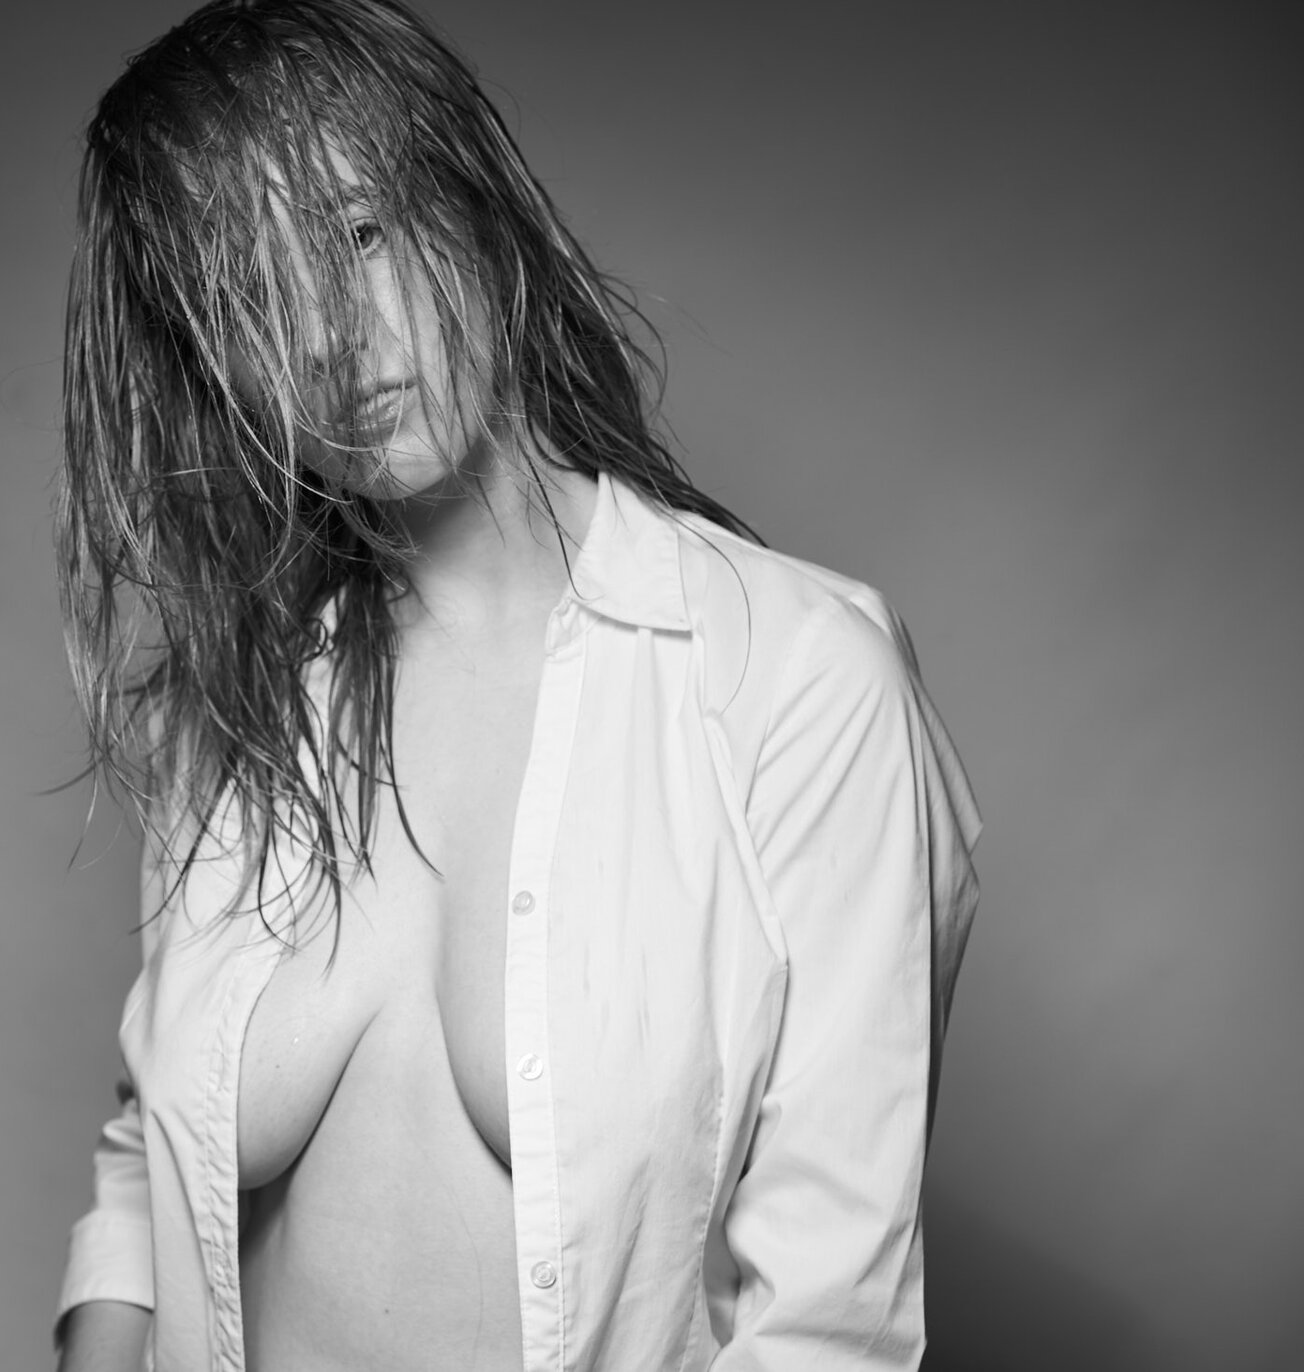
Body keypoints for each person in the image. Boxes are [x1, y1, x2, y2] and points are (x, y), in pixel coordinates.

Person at [52, 1, 981, 1368]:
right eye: (252, 291)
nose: (329, 333)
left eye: (358, 233)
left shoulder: (792, 682)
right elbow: (149, 1163)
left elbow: (826, 1325)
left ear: (470, 200)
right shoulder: (238, 710)